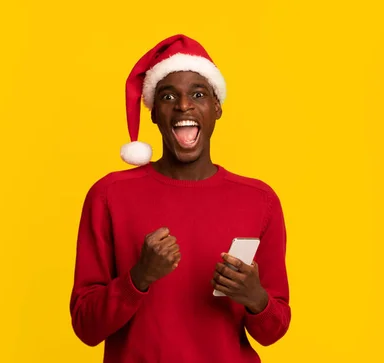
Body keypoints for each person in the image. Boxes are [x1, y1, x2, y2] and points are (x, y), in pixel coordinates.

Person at [69, 34, 291, 363]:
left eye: (198, 94)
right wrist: (138, 278)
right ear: (154, 113)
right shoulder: (109, 195)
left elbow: (274, 330)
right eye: (168, 96)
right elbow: (86, 326)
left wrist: (254, 297)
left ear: (216, 108)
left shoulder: (259, 201)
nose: (184, 105)